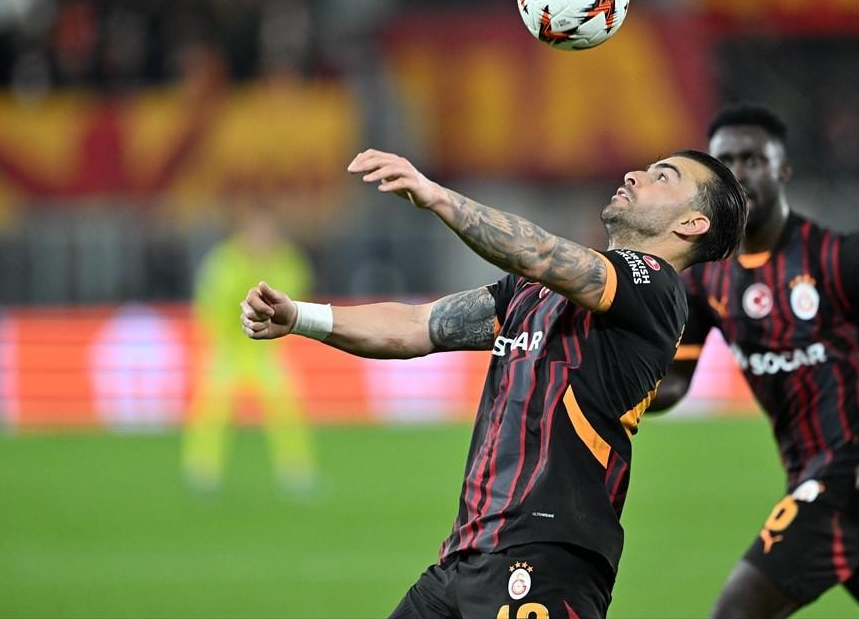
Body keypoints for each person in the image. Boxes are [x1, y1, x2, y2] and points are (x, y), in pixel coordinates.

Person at [241, 147, 747, 619]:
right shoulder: (535, 291)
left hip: (548, 558)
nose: (635, 175)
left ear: (692, 223)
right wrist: (300, 317)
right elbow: (418, 326)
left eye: (663, 177)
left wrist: (436, 196)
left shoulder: (655, 286)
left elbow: (538, 252)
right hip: (465, 556)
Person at [649, 105, 859, 619]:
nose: (740, 173)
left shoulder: (842, 257)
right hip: (815, 478)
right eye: (727, 162)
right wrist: (606, 388)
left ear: (783, 169)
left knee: (735, 613)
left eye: (754, 159)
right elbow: (673, 383)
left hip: (857, 471)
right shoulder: (707, 279)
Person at [183, 204, 316, 492]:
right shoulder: (225, 262)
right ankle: (203, 469)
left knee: (286, 407)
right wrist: (216, 341)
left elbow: (296, 296)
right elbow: (211, 304)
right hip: (230, 347)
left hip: (264, 350)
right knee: (212, 409)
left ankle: (295, 469)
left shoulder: (285, 261)